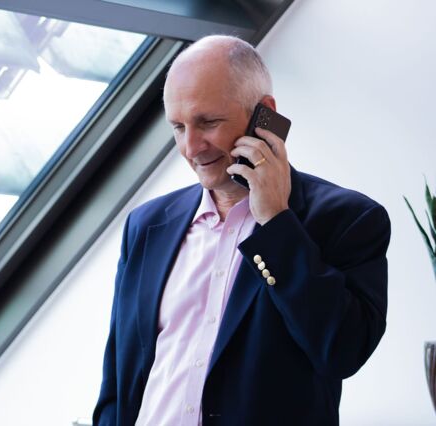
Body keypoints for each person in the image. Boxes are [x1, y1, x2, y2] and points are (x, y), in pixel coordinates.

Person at [93, 35, 391, 426]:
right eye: (178, 127)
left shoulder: (346, 219)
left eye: (208, 122)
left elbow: (343, 350)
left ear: (263, 115)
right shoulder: (147, 225)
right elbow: (118, 379)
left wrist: (277, 222)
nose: (191, 147)